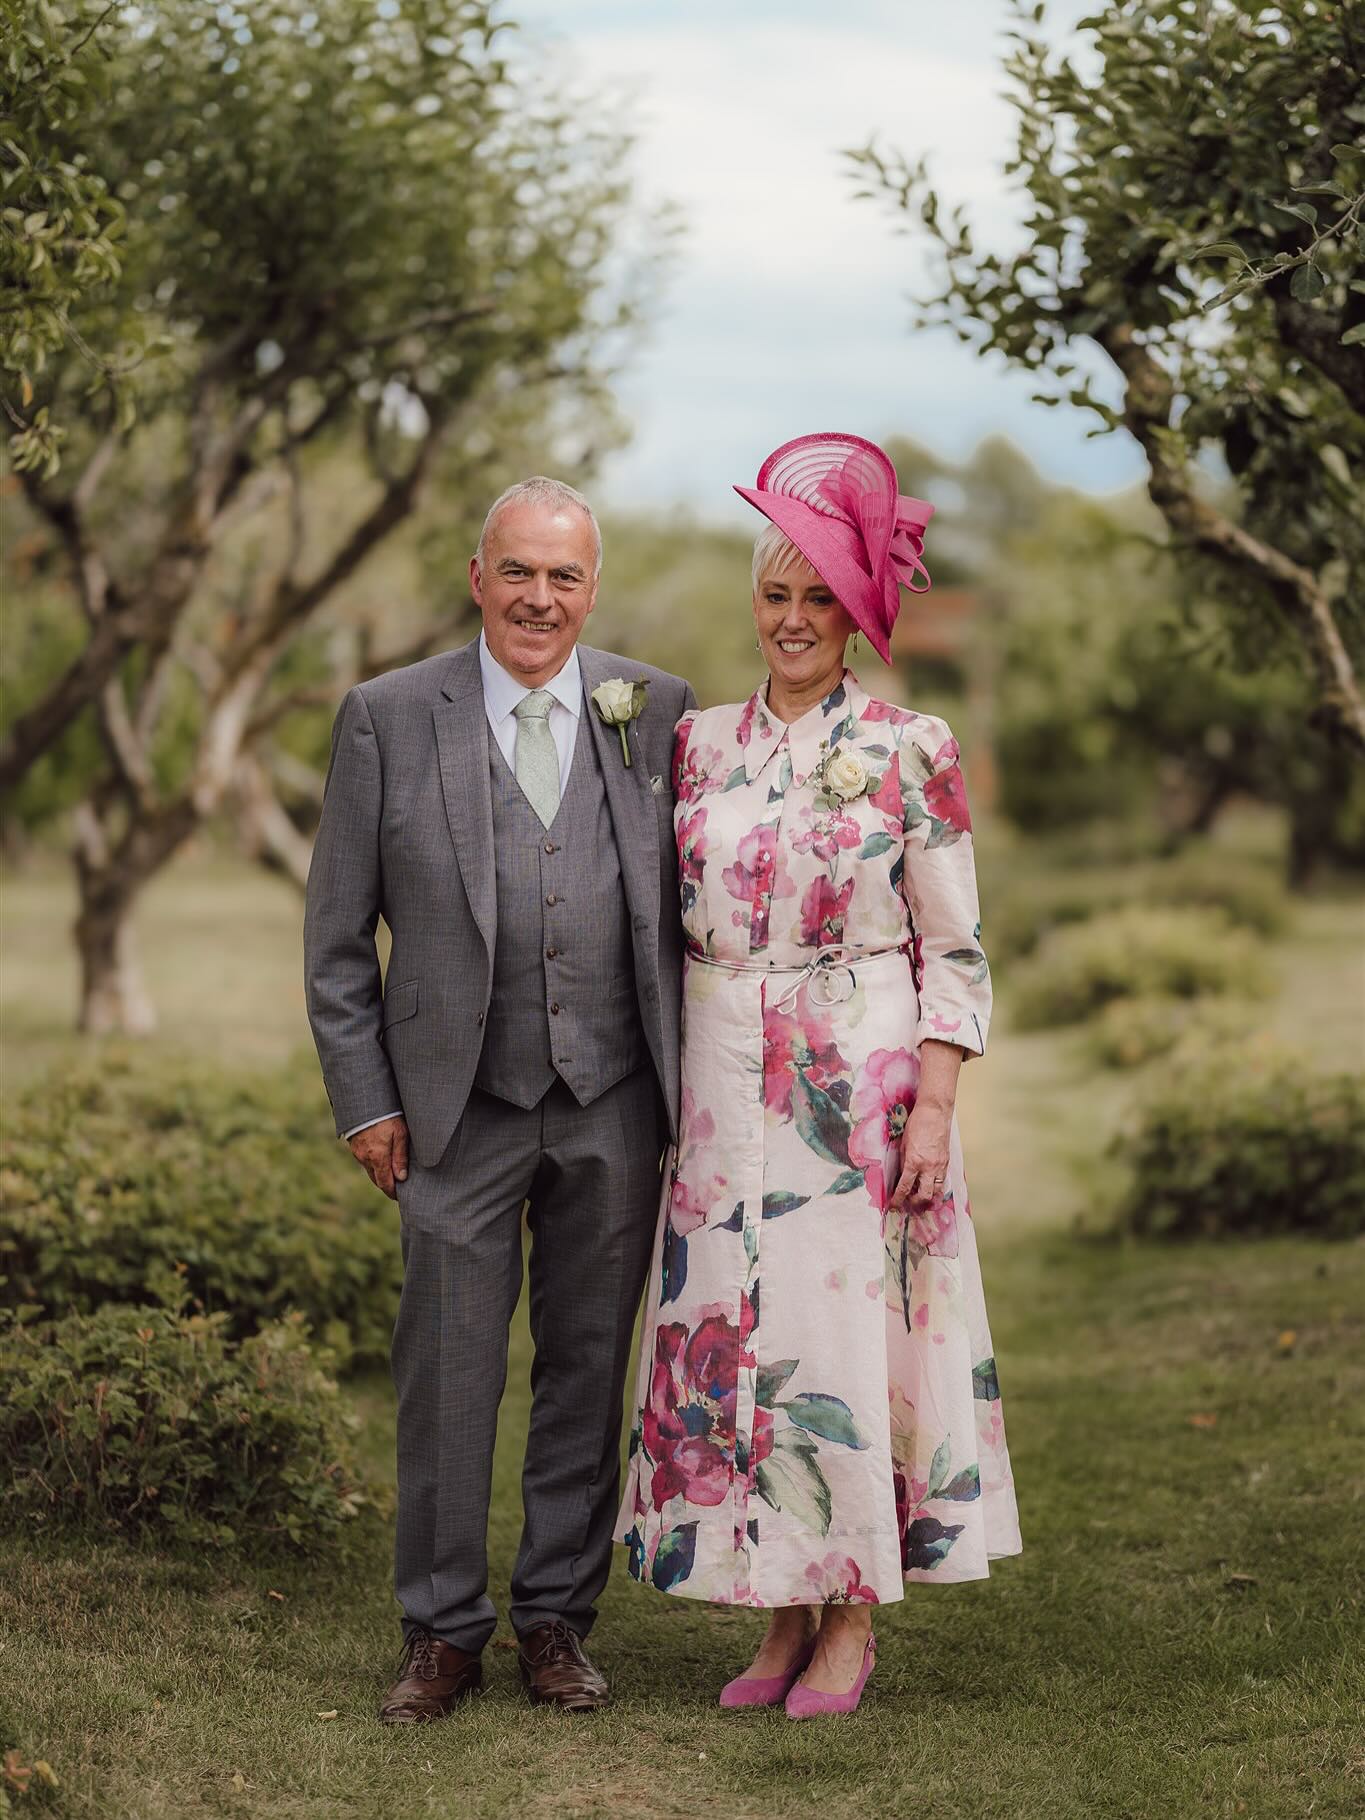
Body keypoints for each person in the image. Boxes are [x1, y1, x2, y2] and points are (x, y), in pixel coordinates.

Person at [617, 433, 1021, 1718]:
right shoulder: (697, 743)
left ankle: (850, 1616)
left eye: (820, 600)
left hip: (861, 1075)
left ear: (857, 616)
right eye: (776, 594)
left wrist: (939, 1105)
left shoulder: (914, 747)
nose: (794, 620)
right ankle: (778, 1615)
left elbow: (954, 944)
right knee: (738, 1336)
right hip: (718, 1069)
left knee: (844, 1336)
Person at [304, 476, 694, 1722]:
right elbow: (334, 940)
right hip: (451, 1105)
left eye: (564, 576)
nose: (540, 597)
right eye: (517, 571)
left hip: (614, 1096)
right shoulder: (385, 714)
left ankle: (556, 1620)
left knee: (588, 1364)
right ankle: (441, 1629)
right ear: (478, 576)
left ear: (592, 587)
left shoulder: (658, 710)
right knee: (449, 1368)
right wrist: (367, 1101)